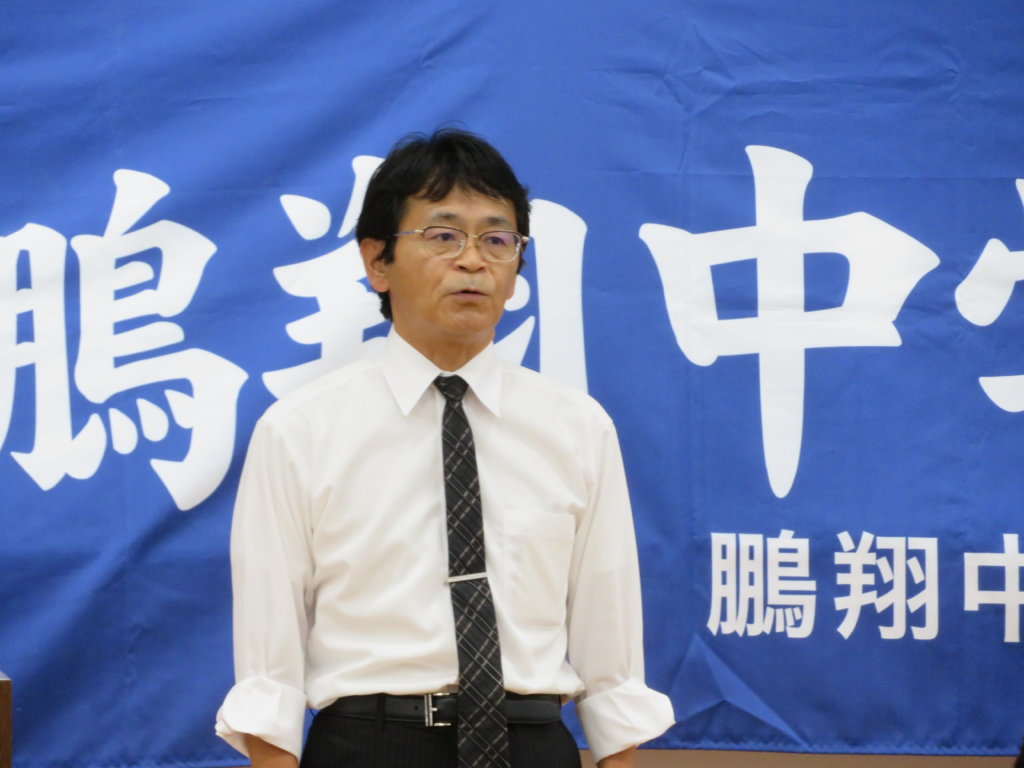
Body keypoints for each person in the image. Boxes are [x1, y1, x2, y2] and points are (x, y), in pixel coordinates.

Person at [215, 128, 674, 768]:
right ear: (377, 261)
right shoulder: (301, 429)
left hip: (532, 742)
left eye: (497, 240)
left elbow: (612, 656)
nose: (473, 261)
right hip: (370, 744)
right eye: (443, 236)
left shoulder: (577, 427)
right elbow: (269, 671)